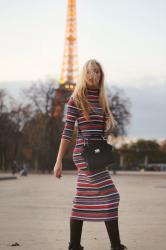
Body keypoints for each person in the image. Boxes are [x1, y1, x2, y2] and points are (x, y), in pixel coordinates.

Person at [54, 59, 127, 250]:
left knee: (82, 198)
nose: (94, 75)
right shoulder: (76, 99)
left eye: (97, 72)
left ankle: (75, 245)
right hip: (84, 155)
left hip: (96, 154)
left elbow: (99, 131)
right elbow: (67, 132)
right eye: (90, 72)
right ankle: (116, 246)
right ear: (83, 75)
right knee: (112, 196)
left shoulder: (102, 99)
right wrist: (59, 161)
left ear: (101, 75)